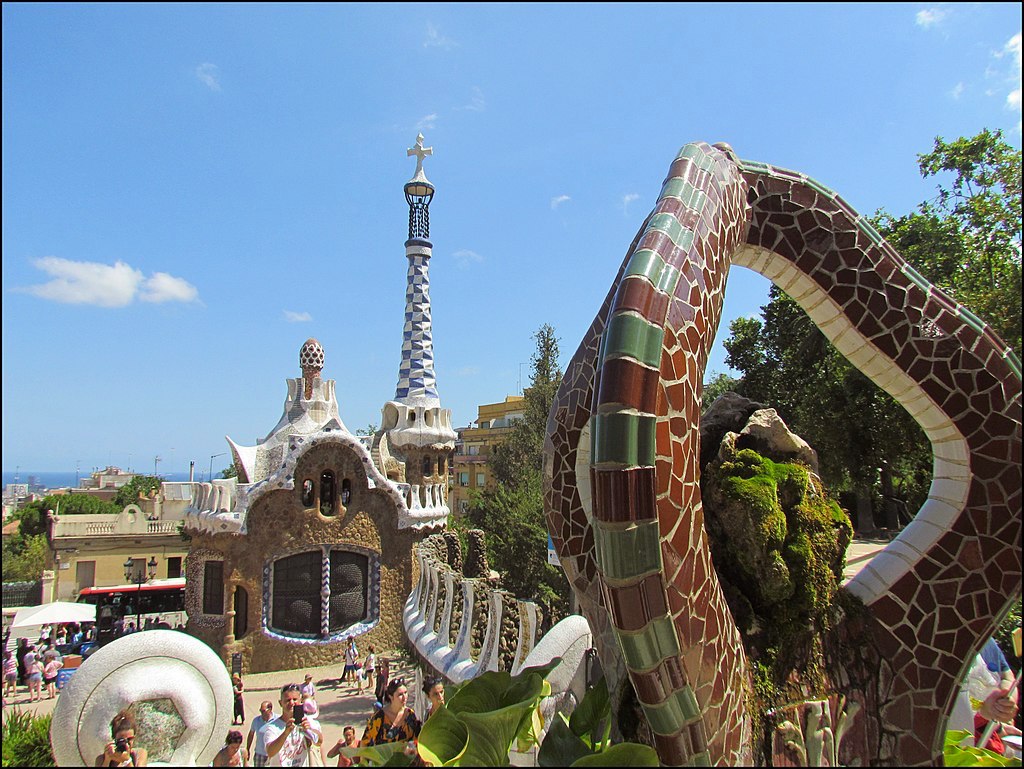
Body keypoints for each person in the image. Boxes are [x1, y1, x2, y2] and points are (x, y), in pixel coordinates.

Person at [263, 683, 323, 766]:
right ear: (280, 703)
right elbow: (270, 752)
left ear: (300, 700)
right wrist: (285, 733)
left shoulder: (307, 721)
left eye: (295, 699)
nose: (291, 703)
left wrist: (309, 730)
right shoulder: (273, 727)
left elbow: (319, 741)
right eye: (287, 700)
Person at [360, 677, 421, 758]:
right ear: (391, 697)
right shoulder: (379, 717)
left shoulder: (410, 714)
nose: (404, 697)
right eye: (400, 694)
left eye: (405, 693)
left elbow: (416, 740)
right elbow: (365, 742)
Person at [247, 700, 277, 768]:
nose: (261, 713)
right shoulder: (256, 720)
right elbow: (251, 734)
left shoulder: (277, 719)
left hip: (274, 754)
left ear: (270, 709)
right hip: (259, 754)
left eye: (263, 711)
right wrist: (248, 749)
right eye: (260, 710)